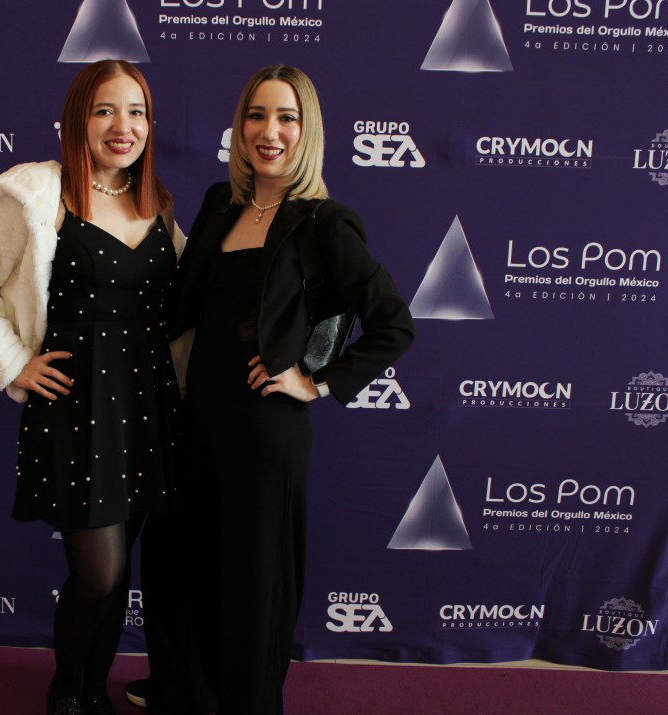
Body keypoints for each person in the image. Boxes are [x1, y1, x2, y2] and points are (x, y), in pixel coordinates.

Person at [135, 65, 415, 715]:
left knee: (252, 581)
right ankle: (185, 691)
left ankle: (247, 702)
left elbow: (394, 324)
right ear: (240, 127)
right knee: (178, 562)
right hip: (194, 419)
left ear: (306, 130)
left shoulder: (324, 223)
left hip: (265, 430)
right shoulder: (219, 204)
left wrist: (316, 380)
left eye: (287, 118)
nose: (270, 131)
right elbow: (183, 306)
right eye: (257, 115)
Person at [0, 60, 184, 715]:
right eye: (105, 110)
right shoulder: (36, 195)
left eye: (136, 111)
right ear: (78, 120)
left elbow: (188, 304)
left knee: (121, 570)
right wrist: (12, 361)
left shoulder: (157, 203)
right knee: (97, 573)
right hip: (78, 411)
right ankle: (66, 689)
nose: (123, 126)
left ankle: (95, 691)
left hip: (148, 406)